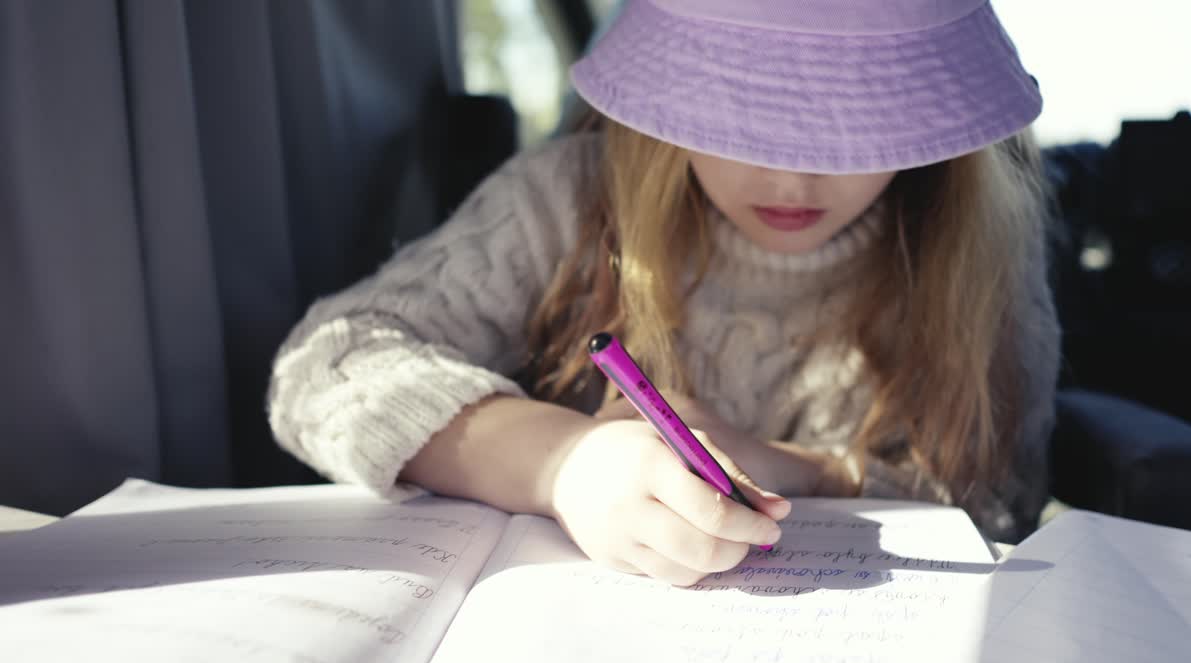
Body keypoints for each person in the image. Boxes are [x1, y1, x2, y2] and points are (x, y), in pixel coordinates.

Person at [268, 0, 1060, 586]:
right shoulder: (570, 202)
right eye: (741, 115)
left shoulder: (974, 256)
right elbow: (325, 366)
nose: (791, 177)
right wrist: (562, 464)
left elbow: (999, 502)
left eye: (850, 127)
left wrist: (800, 470)